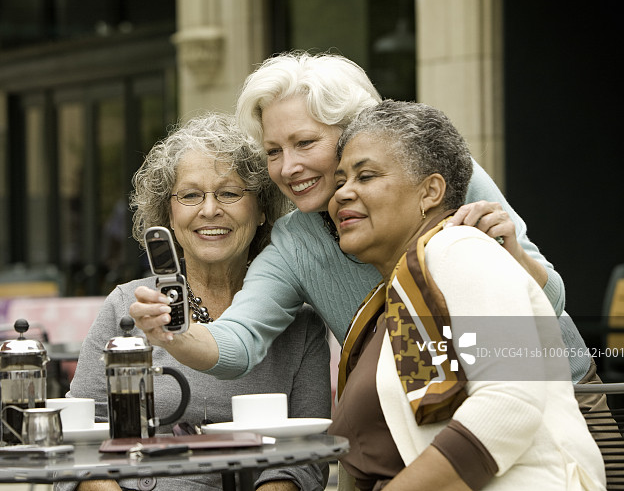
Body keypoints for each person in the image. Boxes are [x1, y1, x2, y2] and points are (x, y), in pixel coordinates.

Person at [131, 51, 593, 388]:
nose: (288, 167)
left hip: (555, 392)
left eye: (305, 143)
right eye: (274, 151)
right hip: (427, 423)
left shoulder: (439, 175)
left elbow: (550, 301)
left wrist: (513, 257)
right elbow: (238, 340)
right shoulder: (296, 241)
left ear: (352, 131)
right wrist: (174, 333)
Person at [326, 99, 603, 490]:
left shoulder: (458, 250)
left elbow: (508, 404)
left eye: (365, 176)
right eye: (340, 182)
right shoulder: (391, 299)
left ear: (431, 192)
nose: (342, 194)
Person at [60, 113, 332, 491]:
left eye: (230, 193)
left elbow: (306, 457)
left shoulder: (299, 324)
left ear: (262, 209)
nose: (209, 210)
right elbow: (78, 439)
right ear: (168, 215)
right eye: (190, 195)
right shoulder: (127, 305)